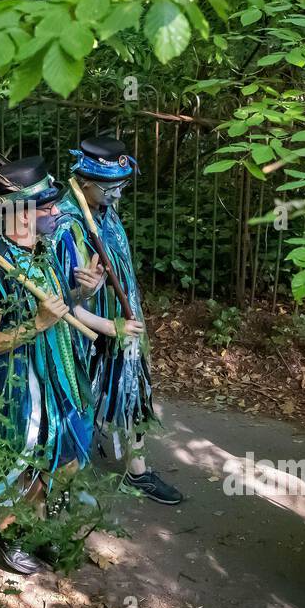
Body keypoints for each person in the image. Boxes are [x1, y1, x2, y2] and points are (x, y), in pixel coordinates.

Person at [0, 157, 142, 575]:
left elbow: (60, 307)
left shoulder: (43, 251)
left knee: (67, 460)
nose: (57, 213)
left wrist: (83, 296)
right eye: (47, 208)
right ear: (20, 213)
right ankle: (7, 532)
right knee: (37, 462)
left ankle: (39, 530)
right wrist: (37, 324)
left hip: (60, 377)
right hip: (24, 388)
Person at [50, 135, 182, 506]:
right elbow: (59, 305)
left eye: (122, 187)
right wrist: (107, 322)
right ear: (87, 183)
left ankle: (136, 471)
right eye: (111, 189)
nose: (118, 196)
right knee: (79, 400)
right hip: (88, 335)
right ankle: (58, 483)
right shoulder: (67, 228)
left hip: (123, 325)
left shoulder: (102, 211)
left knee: (132, 389)